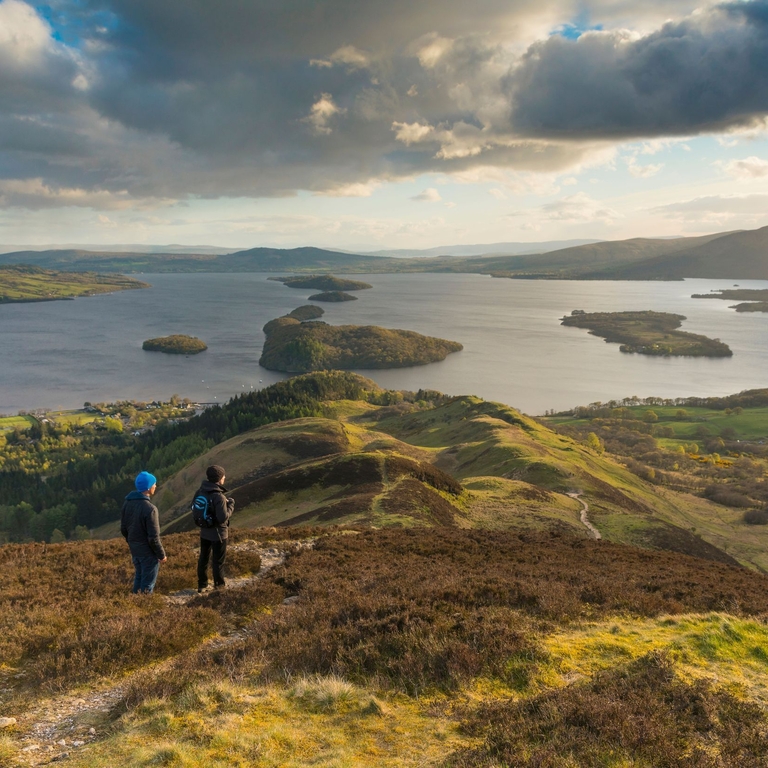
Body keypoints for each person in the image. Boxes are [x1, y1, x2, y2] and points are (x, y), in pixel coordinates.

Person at [120, 470, 167, 594]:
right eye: (154, 484)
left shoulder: (127, 503)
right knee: (147, 584)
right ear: (148, 487)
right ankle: (144, 607)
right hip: (148, 552)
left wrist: (132, 542)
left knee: (139, 577)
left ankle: (135, 606)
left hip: (135, 549)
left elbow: (124, 529)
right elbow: (153, 537)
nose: (155, 486)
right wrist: (161, 555)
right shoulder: (150, 509)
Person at [196, 464, 235, 593]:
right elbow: (223, 518)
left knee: (204, 558)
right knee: (218, 562)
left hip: (204, 531)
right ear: (219, 479)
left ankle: (202, 585)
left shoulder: (201, 491)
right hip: (219, 534)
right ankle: (219, 587)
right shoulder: (218, 496)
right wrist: (230, 506)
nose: (224, 478)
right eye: (223, 476)